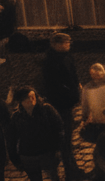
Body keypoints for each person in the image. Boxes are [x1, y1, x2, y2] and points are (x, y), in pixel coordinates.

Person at [40, 33, 83, 181]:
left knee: (68, 140)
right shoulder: (50, 61)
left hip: (67, 102)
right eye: (66, 42)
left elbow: (72, 74)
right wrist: (71, 93)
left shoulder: (66, 56)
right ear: (57, 44)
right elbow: (55, 85)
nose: (69, 44)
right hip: (60, 104)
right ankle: (70, 172)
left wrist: (77, 86)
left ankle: (73, 168)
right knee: (64, 139)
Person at [8, 87, 64, 181]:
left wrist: (58, 148)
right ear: (21, 101)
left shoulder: (47, 109)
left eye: (33, 96)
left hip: (47, 153)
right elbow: (11, 139)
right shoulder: (16, 117)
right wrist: (15, 159)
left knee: (54, 177)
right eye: (28, 97)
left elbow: (58, 128)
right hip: (28, 156)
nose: (32, 99)